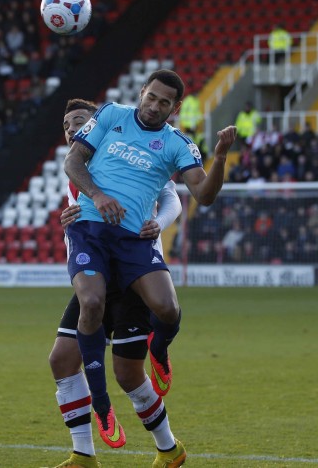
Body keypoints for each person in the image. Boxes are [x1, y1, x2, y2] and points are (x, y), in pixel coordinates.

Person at [63, 69, 236, 462]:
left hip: (133, 241)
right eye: (151, 96)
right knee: (90, 305)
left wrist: (220, 157)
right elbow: (74, 163)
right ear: (141, 92)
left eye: (164, 103)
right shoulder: (110, 116)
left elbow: (204, 195)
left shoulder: (177, 144)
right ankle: (102, 408)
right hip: (90, 229)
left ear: (174, 109)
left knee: (168, 309)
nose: (154, 106)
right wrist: (98, 195)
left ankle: (160, 348)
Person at [51, 100, 185, 467]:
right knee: (62, 360)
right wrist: (68, 221)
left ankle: (169, 448)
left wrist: (160, 222)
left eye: (79, 121)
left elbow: (171, 196)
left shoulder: (128, 153)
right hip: (95, 276)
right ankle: (83, 455)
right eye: (66, 123)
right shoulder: (77, 168)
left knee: (128, 374)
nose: (71, 128)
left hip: (131, 276)